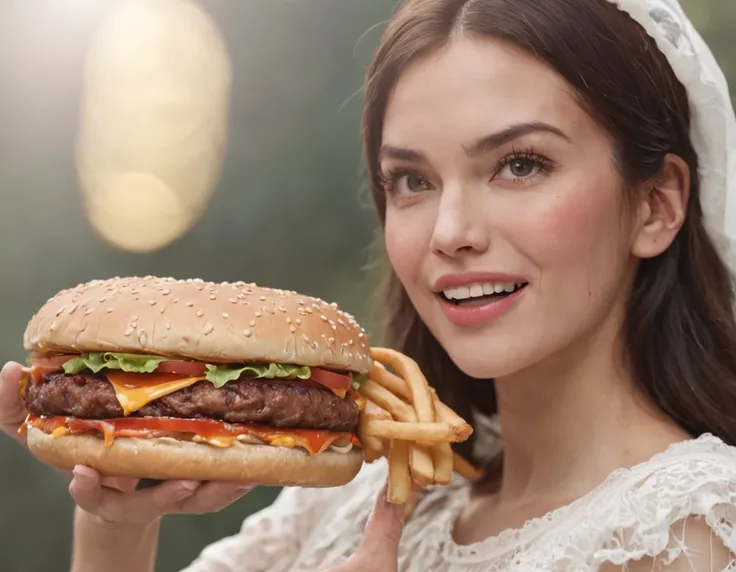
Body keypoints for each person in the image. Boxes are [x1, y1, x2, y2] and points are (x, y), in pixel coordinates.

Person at [2, 0, 736, 569]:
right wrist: (114, 526)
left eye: (521, 164)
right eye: (412, 180)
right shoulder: (359, 498)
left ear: (656, 204)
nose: (450, 230)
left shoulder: (700, 528)